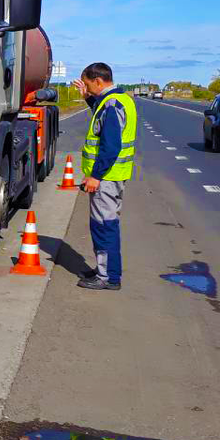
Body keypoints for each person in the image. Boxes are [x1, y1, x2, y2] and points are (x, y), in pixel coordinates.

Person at [71, 63, 137, 291]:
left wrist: (95, 176)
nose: (87, 89)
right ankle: (106, 271)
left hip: (106, 178)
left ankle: (107, 277)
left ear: (98, 81)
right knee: (106, 224)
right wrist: (88, 100)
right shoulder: (120, 100)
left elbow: (110, 146)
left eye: (88, 85)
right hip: (114, 176)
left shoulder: (111, 104)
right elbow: (104, 124)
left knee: (104, 226)